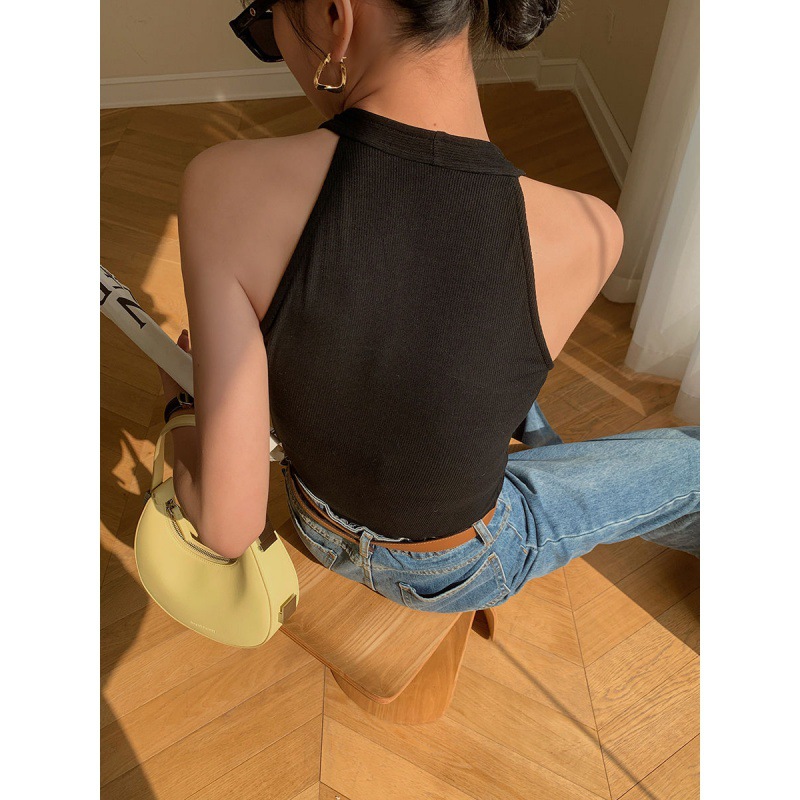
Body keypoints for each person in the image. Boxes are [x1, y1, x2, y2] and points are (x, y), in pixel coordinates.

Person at [165, 0, 699, 615]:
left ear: (337, 16)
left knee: (433, 333)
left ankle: (548, 447)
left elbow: (227, 527)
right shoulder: (591, 231)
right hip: (455, 570)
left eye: (266, 21)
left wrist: (184, 407)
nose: (275, 44)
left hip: (314, 518)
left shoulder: (223, 184)